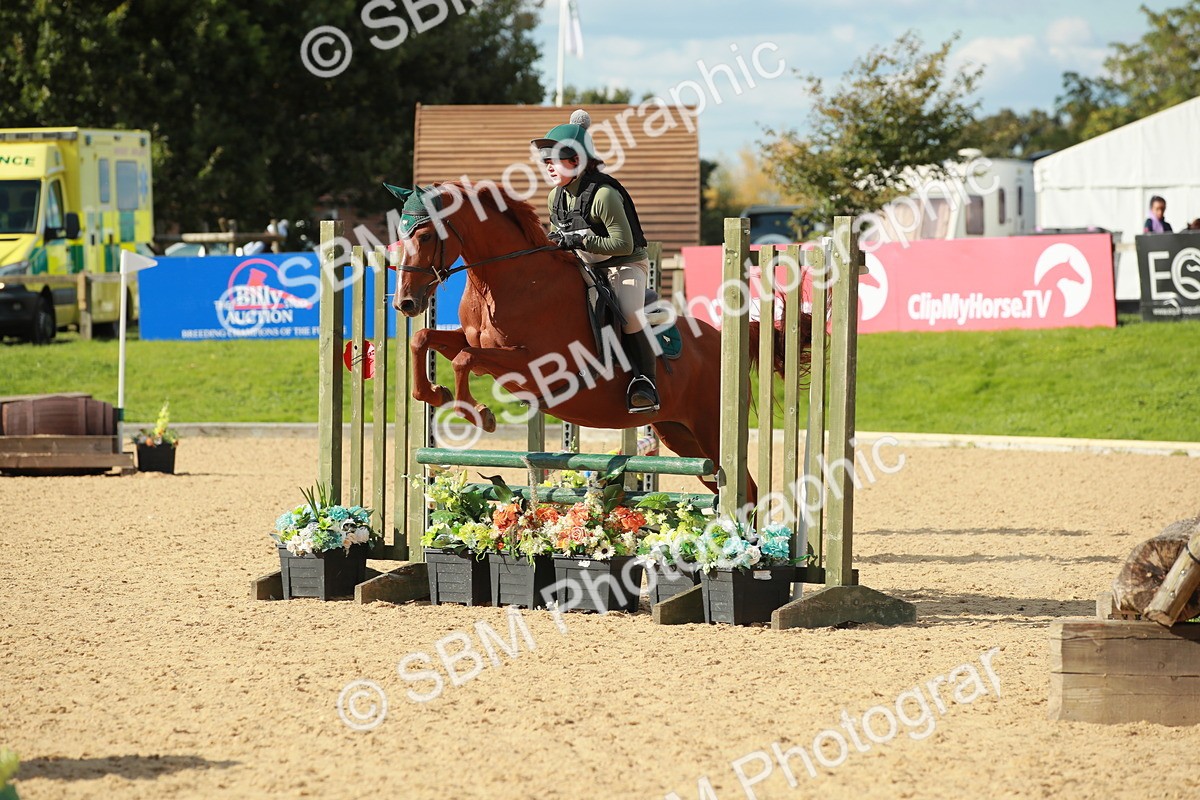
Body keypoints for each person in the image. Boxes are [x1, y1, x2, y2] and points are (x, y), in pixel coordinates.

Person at [531, 109, 659, 413]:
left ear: (576, 160)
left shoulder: (604, 195)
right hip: (585, 264)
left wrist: (580, 240)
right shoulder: (555, 198)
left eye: (555, 160)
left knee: (628, 313)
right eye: (546, 161)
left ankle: (645, 381)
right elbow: (557, 234)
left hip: (624, 264)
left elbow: (622, 243)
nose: (548, 167)